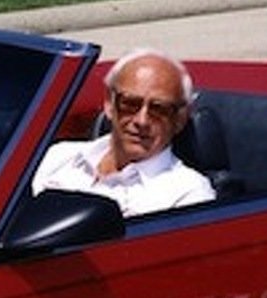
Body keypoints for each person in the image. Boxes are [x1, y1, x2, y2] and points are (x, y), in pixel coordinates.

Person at [31, 49, 215, 216]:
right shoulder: (58, 157)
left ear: (179, 119)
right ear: (109, 105)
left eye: (159, 109)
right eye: (130, 104)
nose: (141, 121)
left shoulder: (188, 195)